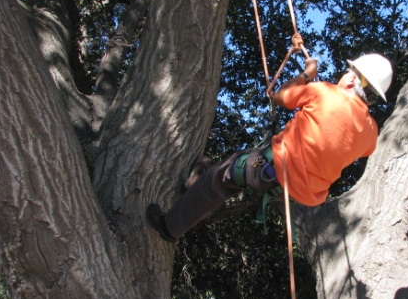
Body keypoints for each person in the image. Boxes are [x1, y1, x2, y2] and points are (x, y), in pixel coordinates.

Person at [147, 51, 393, 242]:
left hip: (273, 169)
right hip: (301, 194)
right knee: (238, 164)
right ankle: (194, 184)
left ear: (352, 79)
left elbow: (279, 95)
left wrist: (308, 74)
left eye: (349, 71)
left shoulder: (325, 92)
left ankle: (170, 227)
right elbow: (347, 141)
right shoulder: (371, 133)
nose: (345, 74)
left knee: (220, 177)